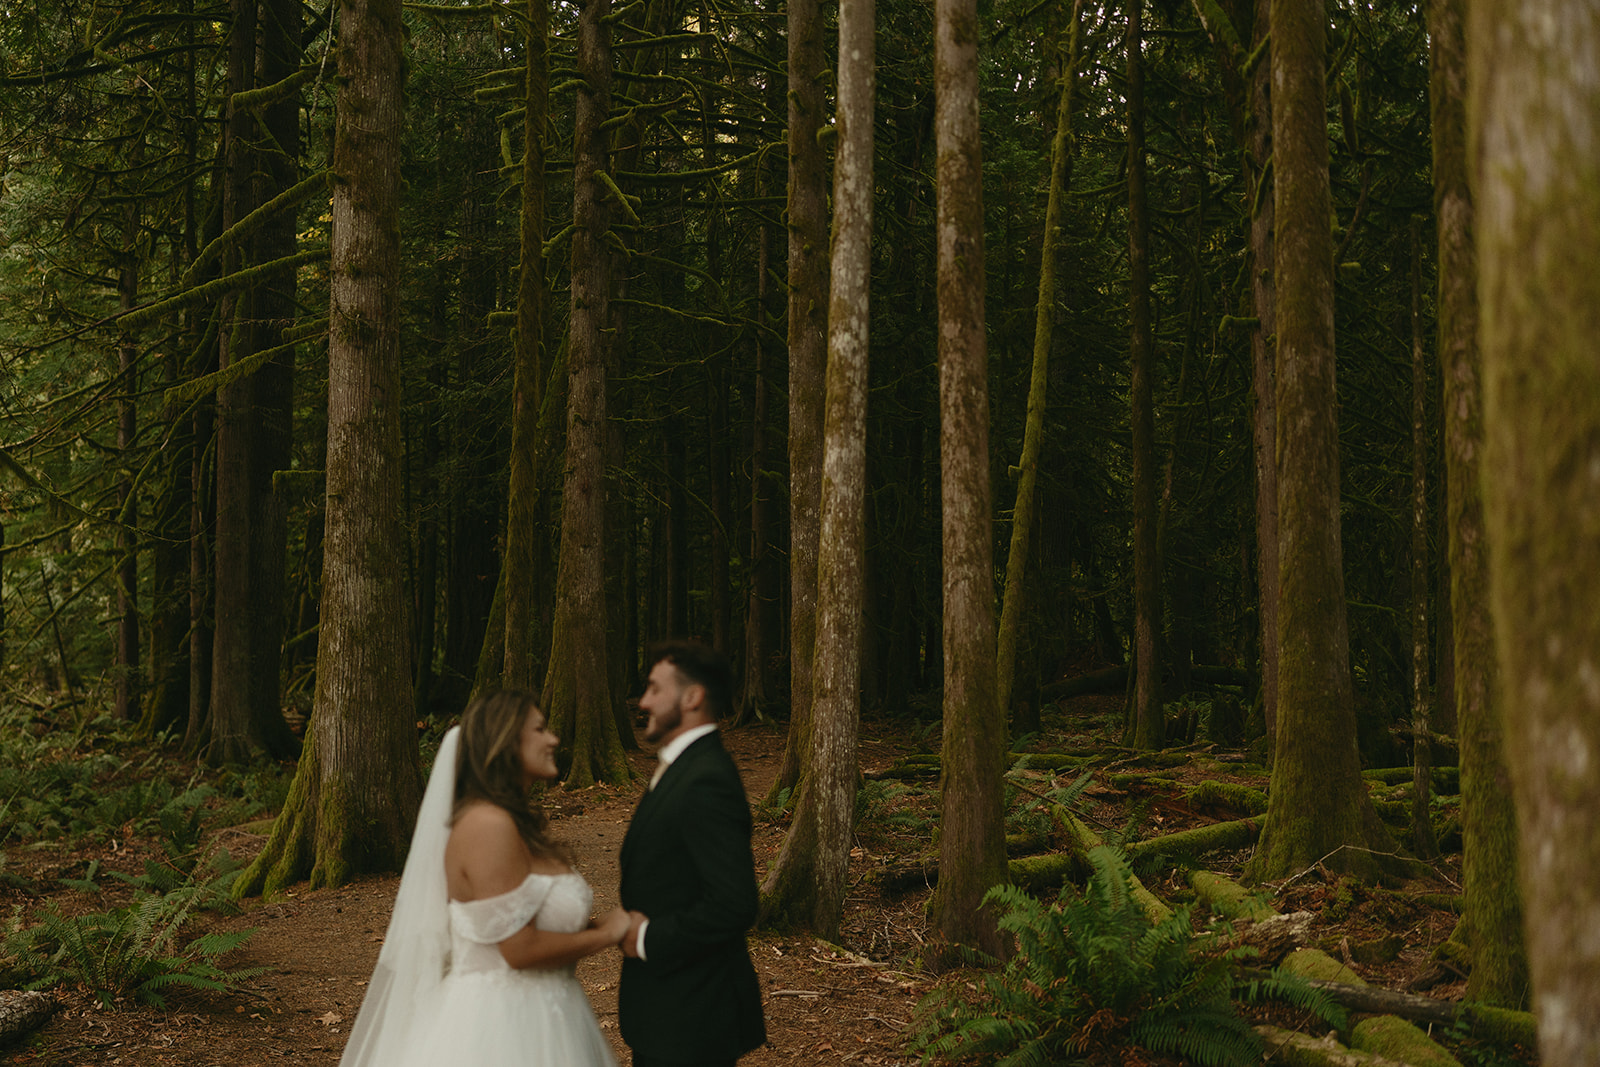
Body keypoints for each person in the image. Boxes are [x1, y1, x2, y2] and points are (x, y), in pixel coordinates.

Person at [340, 690, 627, 1067]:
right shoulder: (486, 825)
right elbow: (517, 950)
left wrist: (606, 922)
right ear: (505, 741)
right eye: (540, 729)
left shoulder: (517, 823)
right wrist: (607, 935)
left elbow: (525, 918)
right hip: (502, 1027)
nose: (553, 739)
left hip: (551, 1012)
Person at [618, 641, 767, 1067]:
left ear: (692, 697)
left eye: (653, 689)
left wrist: (645, 938)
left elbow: (734, 904)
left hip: (693, 1017)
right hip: (667, 1010)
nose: (643, 701)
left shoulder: (706, 780)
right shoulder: (683, 767)